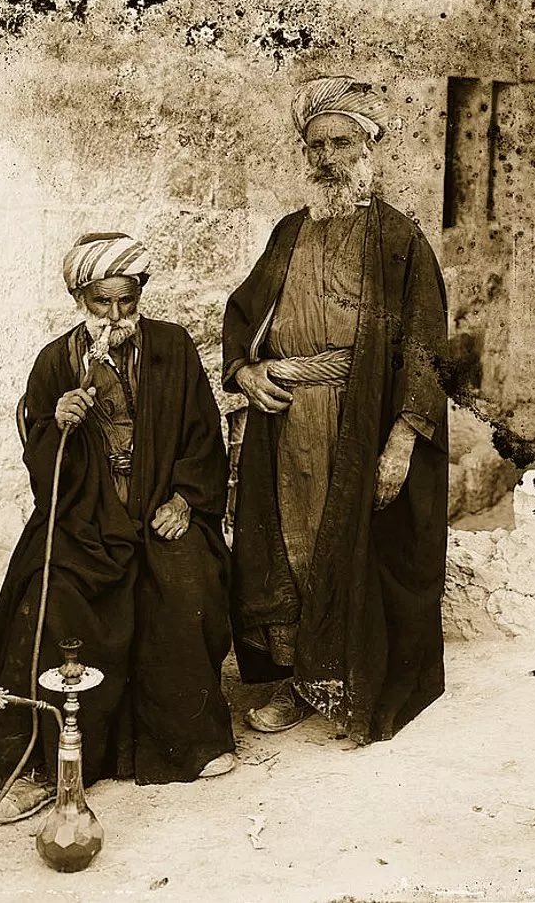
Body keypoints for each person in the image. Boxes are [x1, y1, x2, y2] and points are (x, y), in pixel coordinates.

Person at [0, 232, 235, 822]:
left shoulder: (172, 348)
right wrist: (57, 426)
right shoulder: (54, 362)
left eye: (126, 300)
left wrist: (187, 501)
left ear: (139, 292)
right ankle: (42, 767)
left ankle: (188, 743)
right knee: (48, 596)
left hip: (160, 507)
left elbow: (203, 435)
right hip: (85, 514)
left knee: (186, 578)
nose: (116, 316)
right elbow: (45, 466)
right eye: (101, 302)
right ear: (80, 298)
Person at [223, 75, 449, 745]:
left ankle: (349, 680)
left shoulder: (397, 239)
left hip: (359, 419)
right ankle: (298, 682)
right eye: (314, 145)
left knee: (349, 548)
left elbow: (428, 347)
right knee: (289, 550)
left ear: (367, 148)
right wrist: (245, 370)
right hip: (286, 420)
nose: (326, 157)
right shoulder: (288, 231)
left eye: (341, 142)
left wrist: (401, 440)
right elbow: (242, 315)